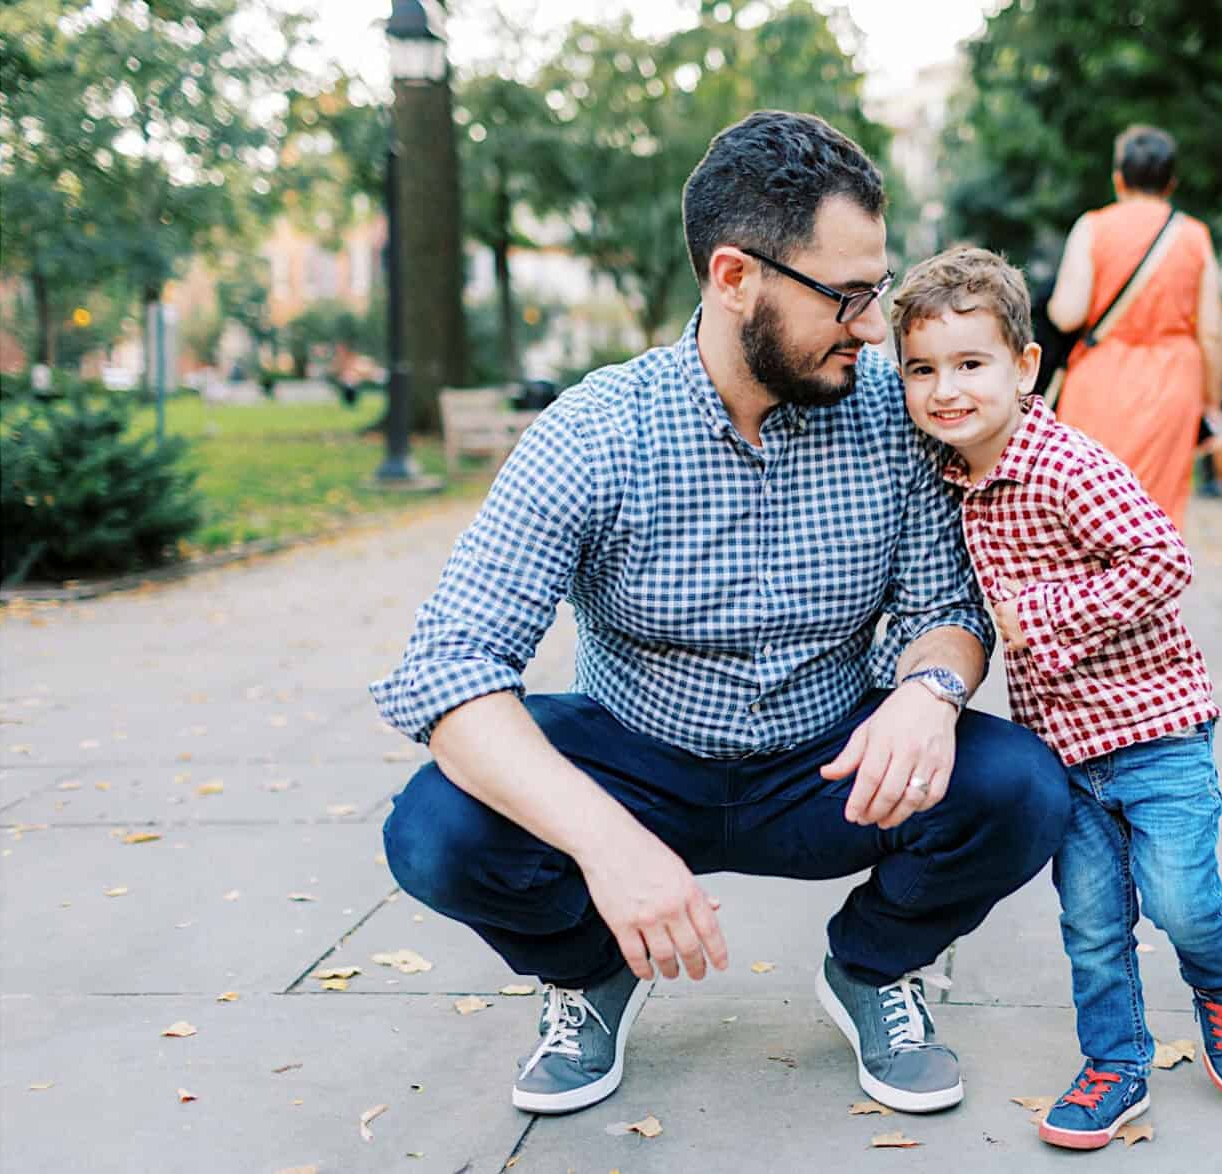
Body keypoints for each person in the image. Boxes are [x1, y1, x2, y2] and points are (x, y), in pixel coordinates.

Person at [371, 110, 1068, 1118]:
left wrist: (928, 690)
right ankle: (591, 970)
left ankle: (873, 969)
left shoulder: (889, 410)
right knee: (435, 829)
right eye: (847, 296)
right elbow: (451, 667)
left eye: (877, 290)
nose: (876, 327)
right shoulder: (596, 432)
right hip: (634, 758)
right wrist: (608, 848)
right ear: (735, 277)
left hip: (830, 762)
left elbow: (947, 606)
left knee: (1022, 788)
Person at [888, 247, 1222, 1150]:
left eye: (971, 364)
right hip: (1063, 746)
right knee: (1092, 925)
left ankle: (1221, 987)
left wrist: (1044, 612)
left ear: (1025, 367)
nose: (946, 389)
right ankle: (1116, 1063)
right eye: (922, 370)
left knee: (1181, 902)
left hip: (1158, 730)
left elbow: (1163, 559)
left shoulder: (1065, 464)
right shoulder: (953, 476)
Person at [1045, 125, 1222, 529]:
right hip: (1173, 385)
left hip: (1099, 379)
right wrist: (1212, 401)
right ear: (1171, 183)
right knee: (1155, 514)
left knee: (1087, 506)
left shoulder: (1093, 226)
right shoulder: (1195, 236)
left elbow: (1067, 313)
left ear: (1118, 178)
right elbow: (1213, 332)